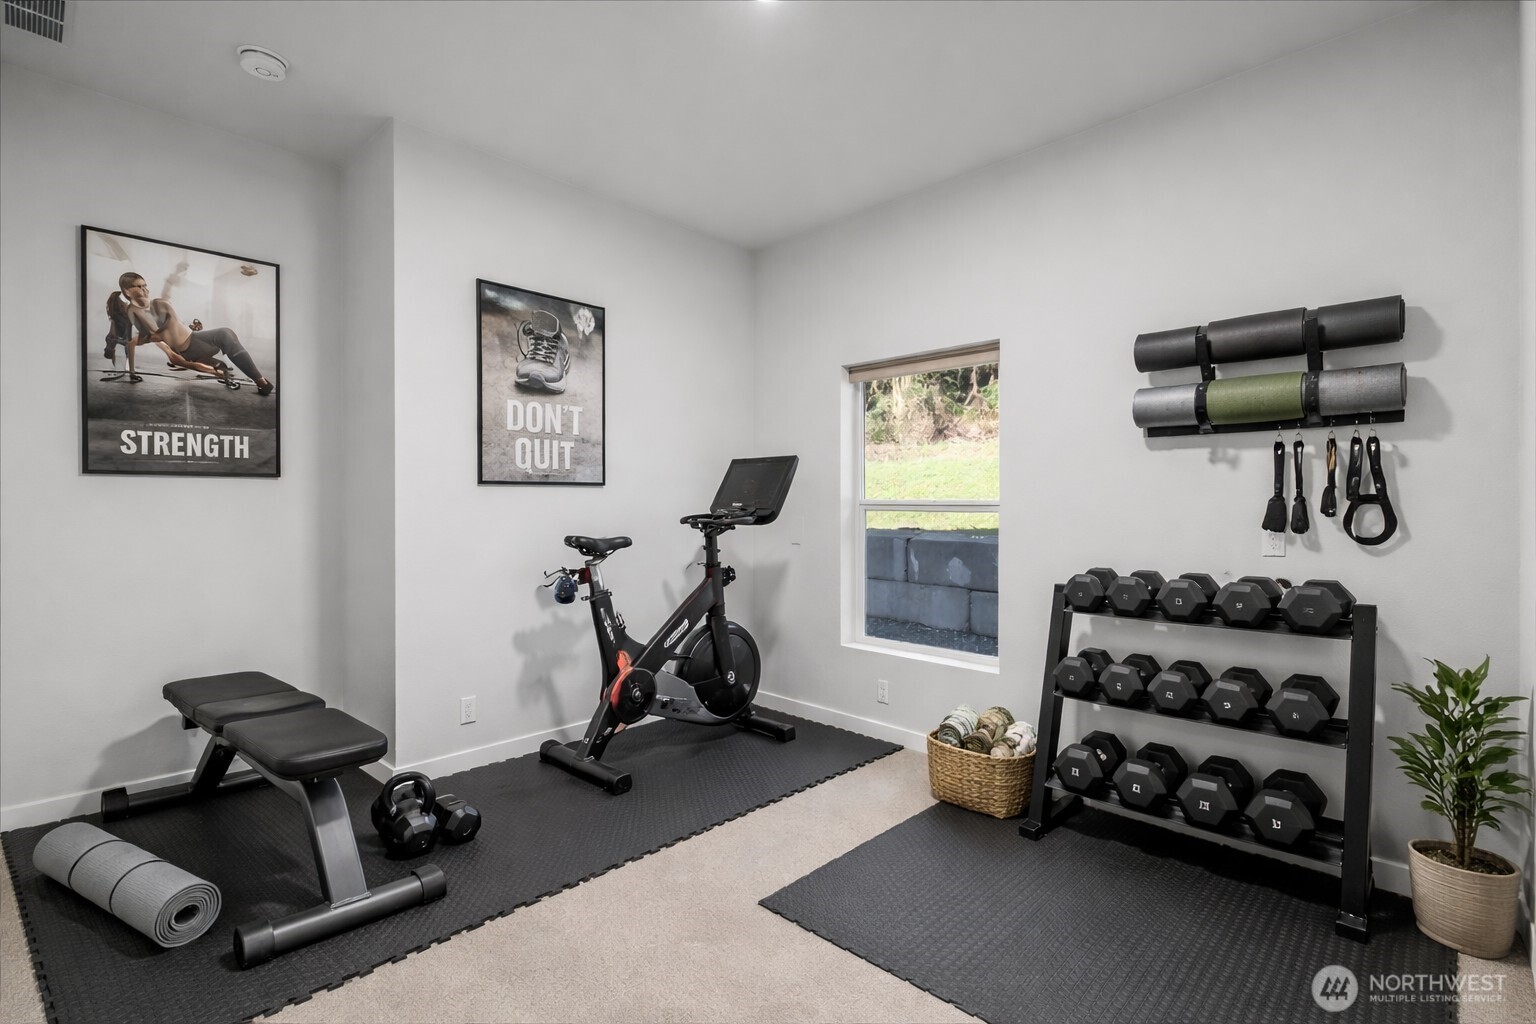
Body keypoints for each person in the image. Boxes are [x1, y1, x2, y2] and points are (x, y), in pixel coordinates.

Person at [111, 272, 274, 395]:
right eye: (139, 286)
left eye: (145, 285)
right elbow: (154, 333)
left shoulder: (158, 303)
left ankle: (255, 380)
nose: (145, 289)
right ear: (127, 291)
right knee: (225, 335)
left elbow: (174, 327)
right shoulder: (137, 310)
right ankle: (260, 382)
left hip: (195, 342)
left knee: (225, 351)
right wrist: (132, 372)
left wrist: (191, 327)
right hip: (190, 348)